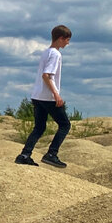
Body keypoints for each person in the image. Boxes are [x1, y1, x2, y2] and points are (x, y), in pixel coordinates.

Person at [15, 24, 73, 169]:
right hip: (48, 97)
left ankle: (24, 155)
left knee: (39, 127)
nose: (68, 43)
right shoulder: (56, 54)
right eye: (67, 40)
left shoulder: (45, 52)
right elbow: (46, 75)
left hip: (37, 96)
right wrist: (56, 94)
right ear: (61, 38)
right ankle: (51, 154)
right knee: (65, 125)